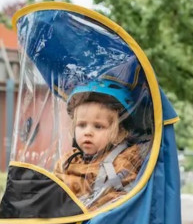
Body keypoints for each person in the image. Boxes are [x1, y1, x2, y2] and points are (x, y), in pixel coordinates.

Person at [54, 80, 143, 210]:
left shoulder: (122, 162)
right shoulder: (67, 161)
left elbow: (119, 202)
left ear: (119, 133)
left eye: (98, 126)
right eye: (82, 125)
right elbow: (52, 190)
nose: (88, 132)